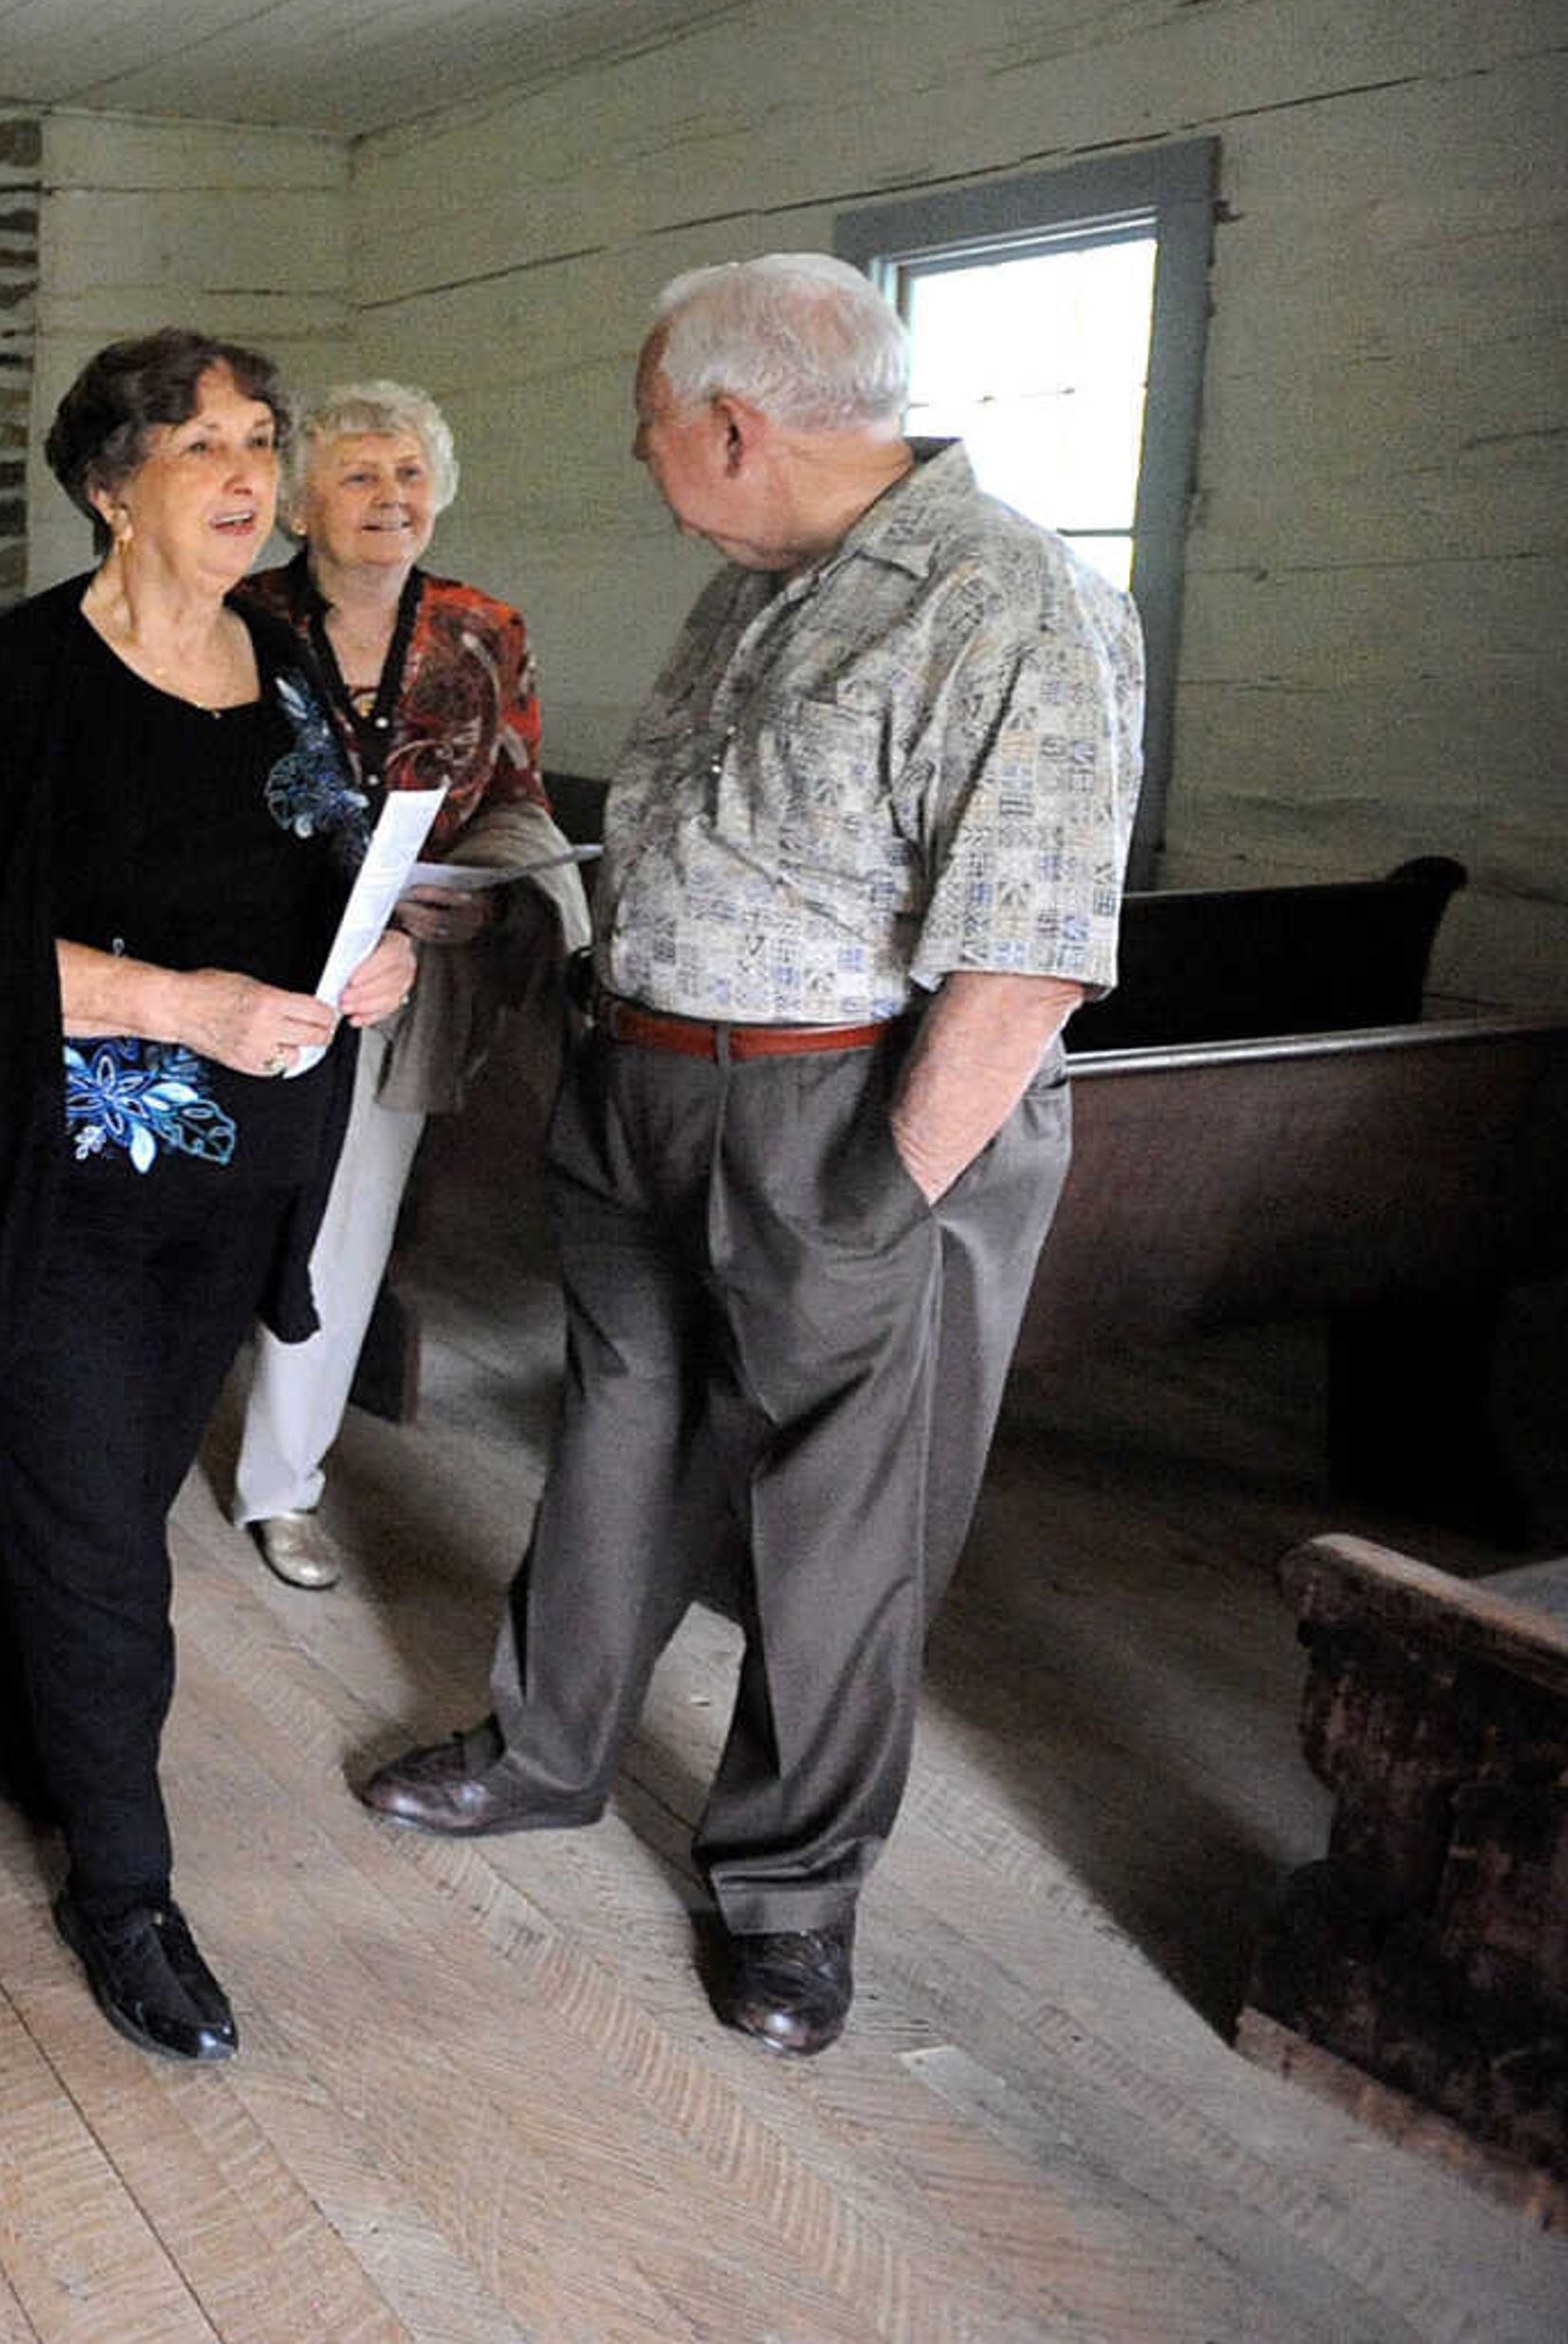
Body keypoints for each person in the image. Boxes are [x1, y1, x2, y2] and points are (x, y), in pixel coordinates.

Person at [352, 253, 1142, 2059]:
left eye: (652, 433)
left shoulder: (1004, 595)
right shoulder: (757, 587)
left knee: (842, 1513)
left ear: (735, 423)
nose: (647, 464)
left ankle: (790, 1893)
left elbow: (1028, 951)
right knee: (616, 1432)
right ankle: (547, 1751)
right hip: (649, 1087)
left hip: (847, 1113)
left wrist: (887, 1197)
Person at [0, 327, 417, 2064]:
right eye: (200, 450)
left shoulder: (288, 661)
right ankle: (126, 1890)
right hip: (57, 1179)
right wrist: (187, 1004)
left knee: (93, 1469)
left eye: (259, 441)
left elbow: (317, 863)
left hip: (228, 1186)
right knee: (107, 1551)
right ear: (109, 486)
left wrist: (368, 948)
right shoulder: (22, 678)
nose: (249, 478)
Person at [209, 380, 586, 1592]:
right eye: (363, 476)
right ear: (305, 500)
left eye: (411, 475)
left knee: (345, 1231)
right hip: (240, 965)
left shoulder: (483, 631)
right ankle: (140, 1425)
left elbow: (515, 801)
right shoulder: (237, 615)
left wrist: (460, 907)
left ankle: (284, 1485)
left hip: (397, 979)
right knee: (203, 1204)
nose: (392, 498)